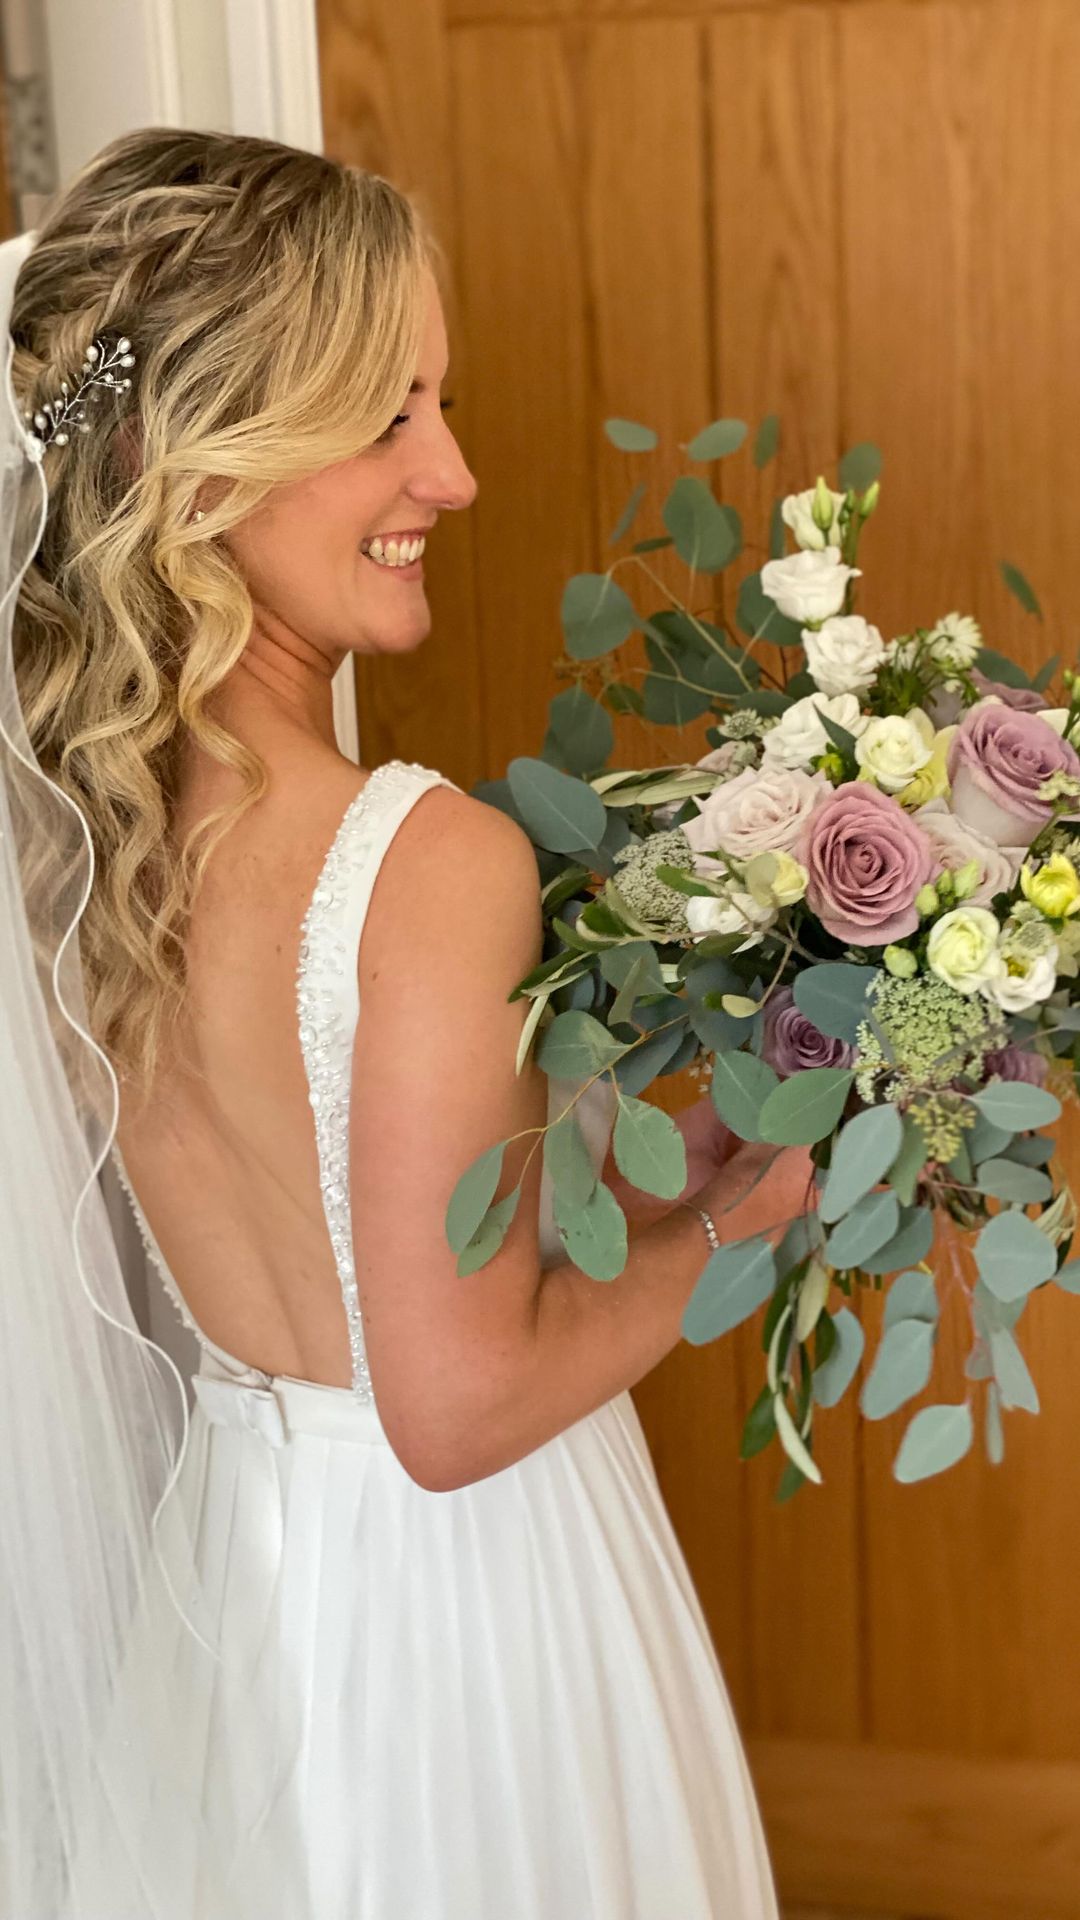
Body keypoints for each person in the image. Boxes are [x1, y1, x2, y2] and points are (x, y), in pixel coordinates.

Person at [0, 126, 810, 1918]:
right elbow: (450, 1404)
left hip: (238, 1607)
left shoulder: (78, 854)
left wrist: (679, 1158)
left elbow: (365, 1230)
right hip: (466, 1630)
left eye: (437, 403)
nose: (451, 472)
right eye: (386, 416)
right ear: (195, 464)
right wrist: (741, 1227)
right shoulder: (427, 859)